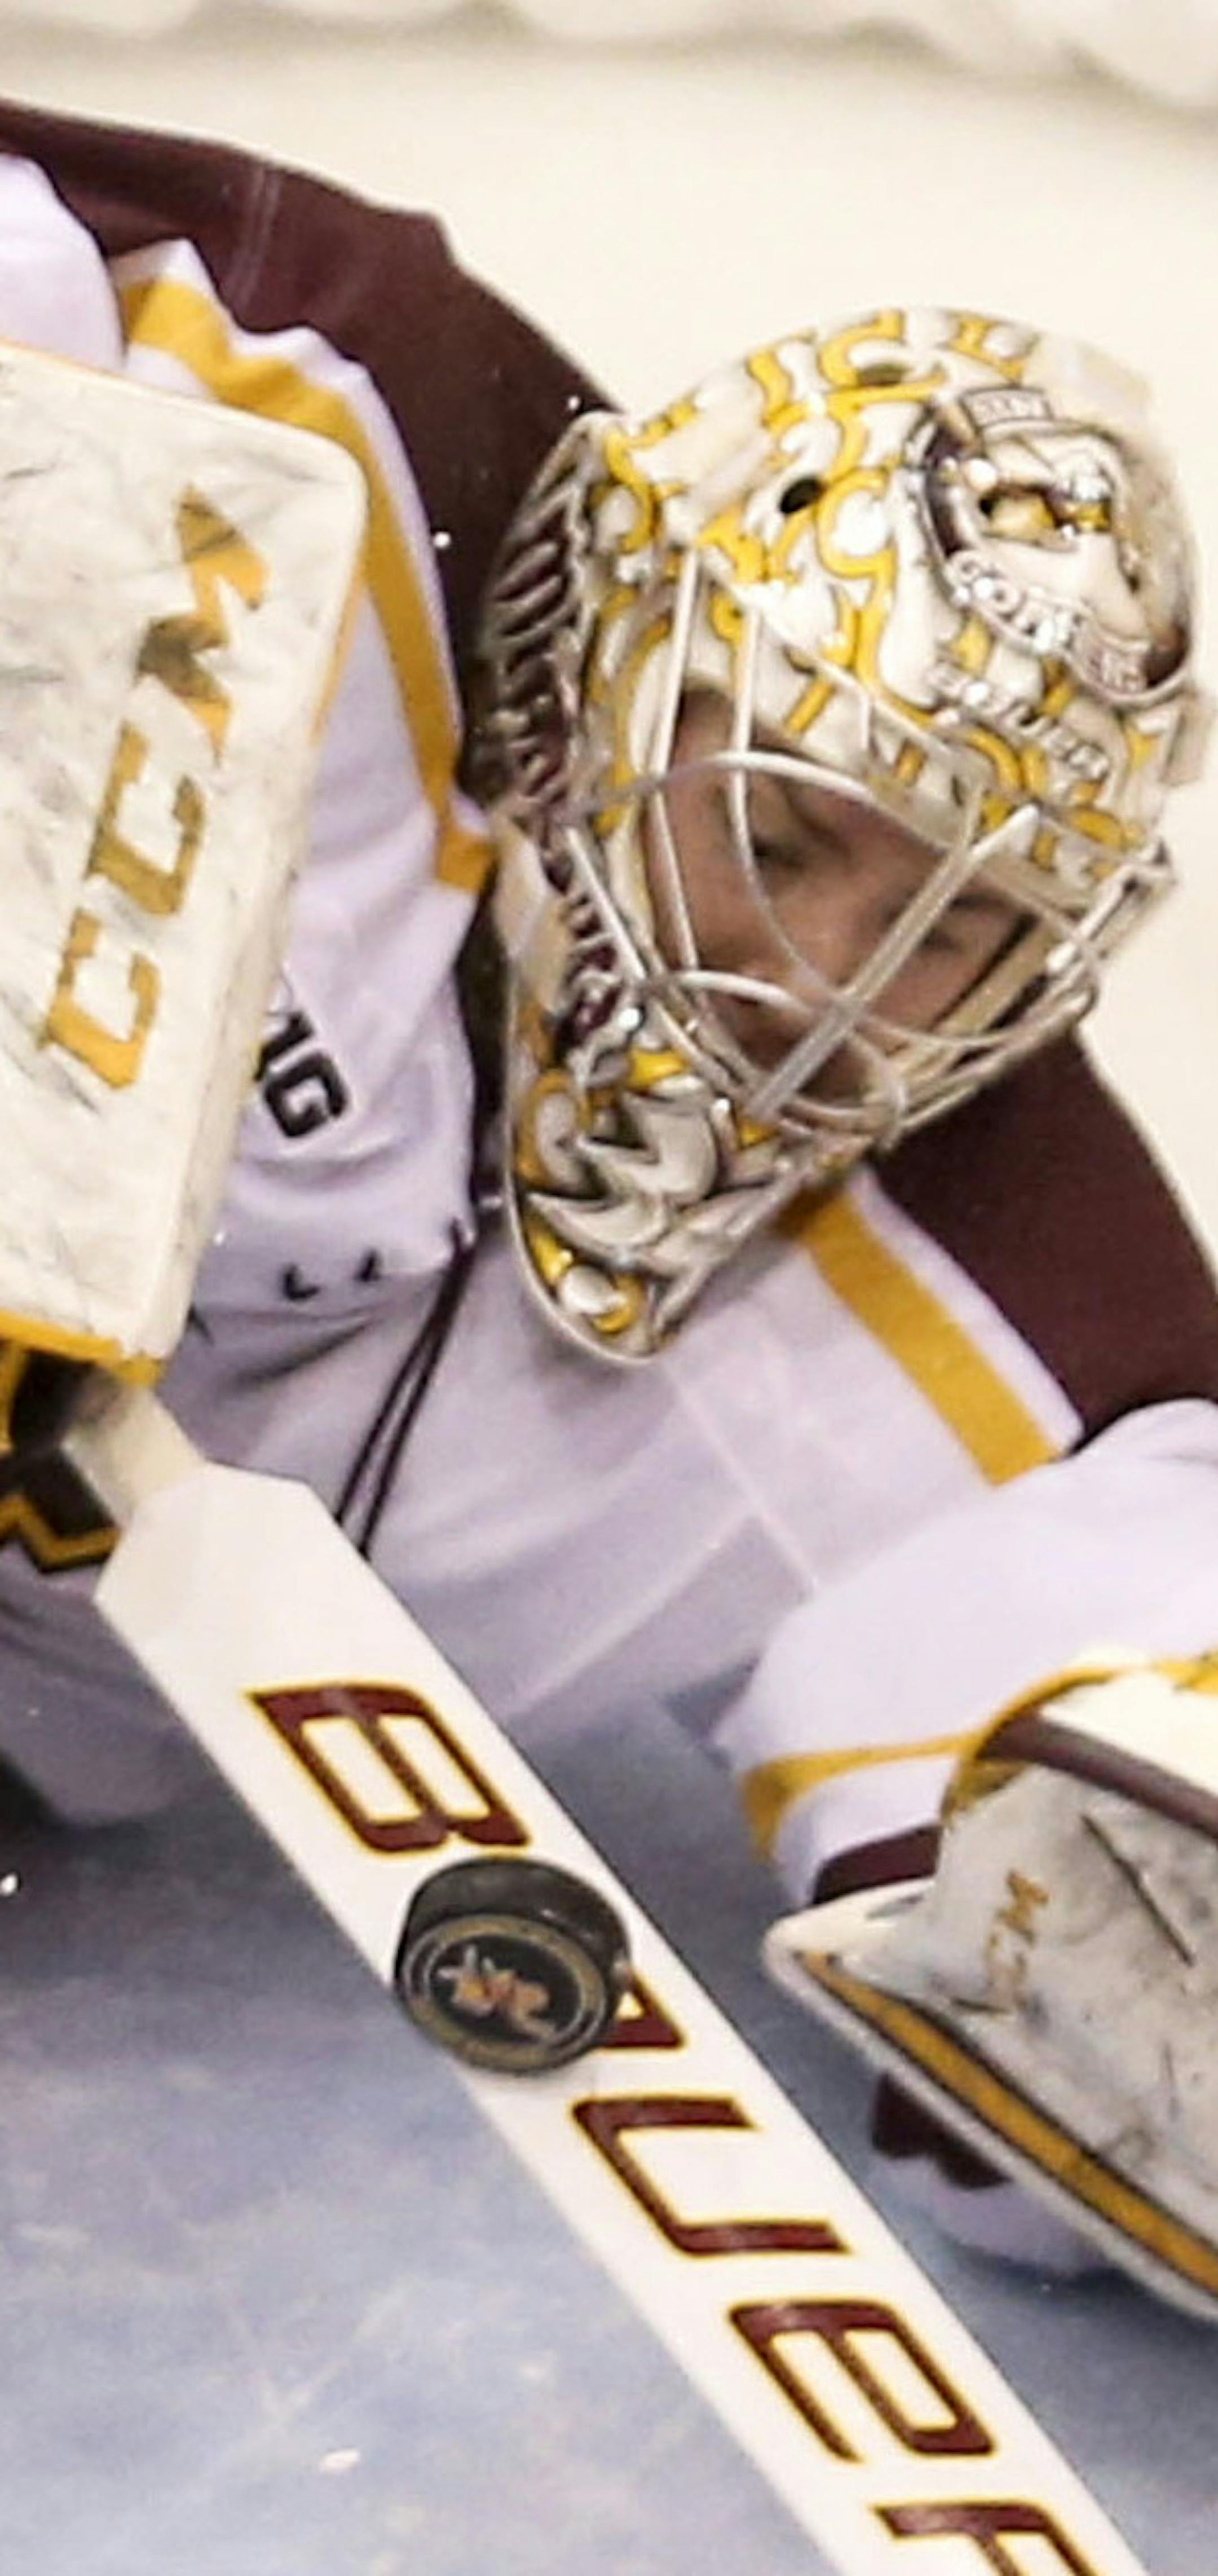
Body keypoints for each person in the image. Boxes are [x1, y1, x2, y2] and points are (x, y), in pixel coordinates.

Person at [1, 94, 1217, 2296]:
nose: (822, 983)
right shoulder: (303, 413)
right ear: (614, 674)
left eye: (955, 924)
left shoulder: (1036, 1356)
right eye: (793, 829)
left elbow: (1079, 2013)